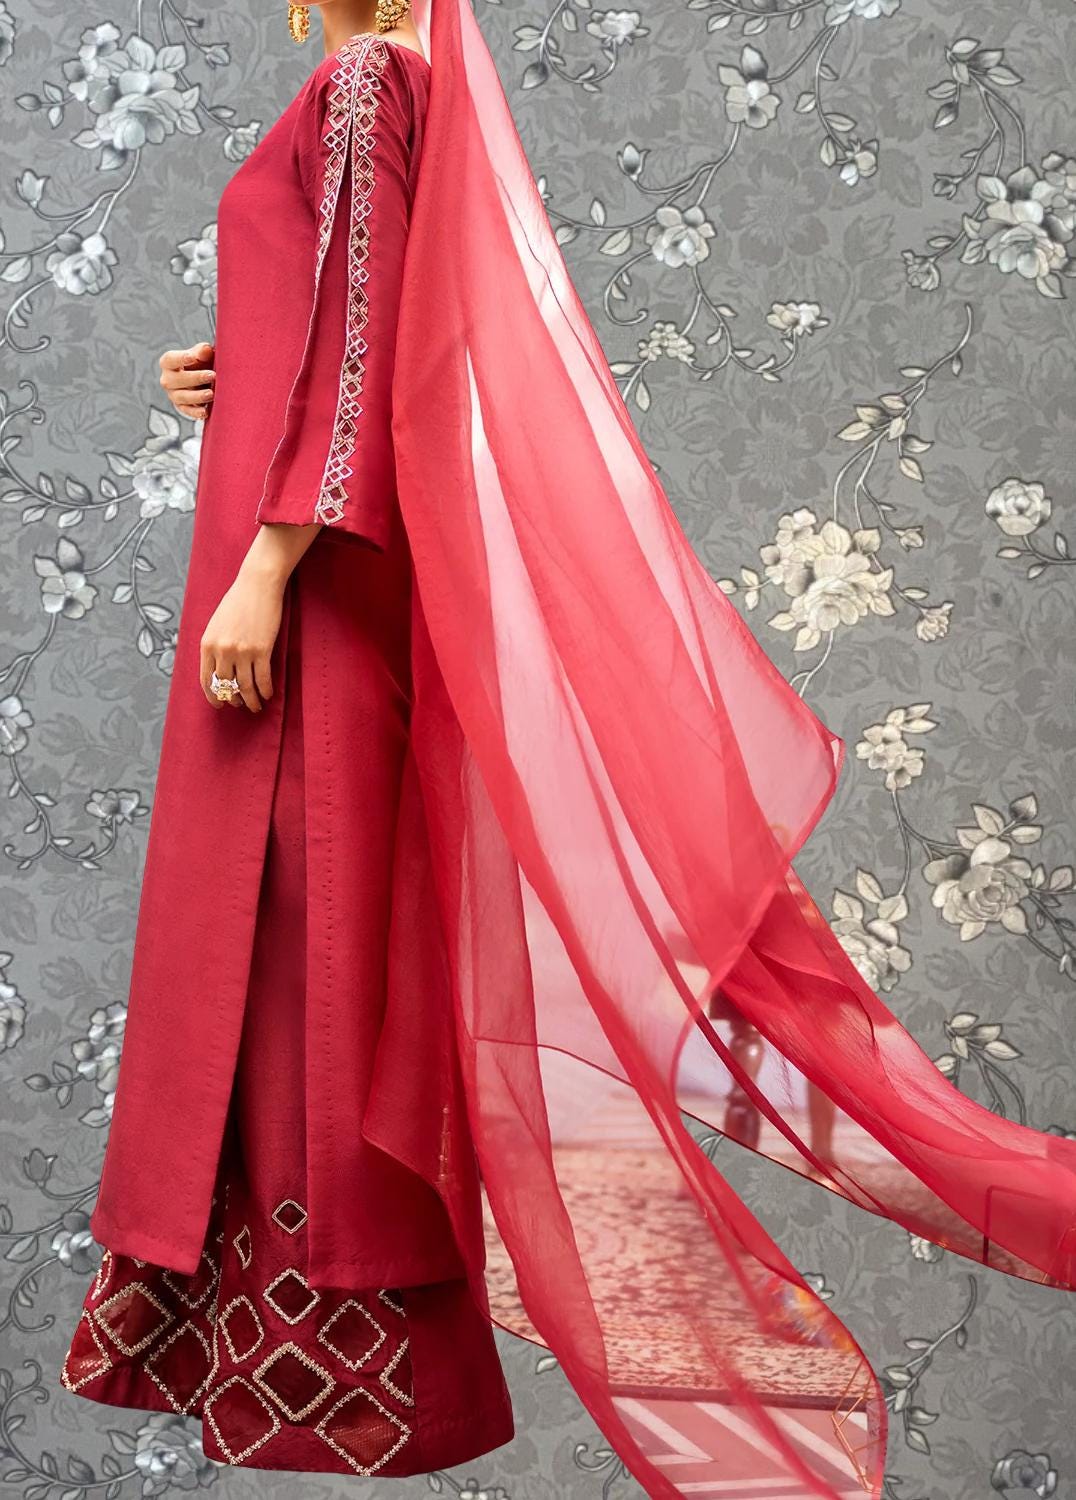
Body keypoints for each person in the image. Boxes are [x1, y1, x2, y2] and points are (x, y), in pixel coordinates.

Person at [59, 0, 1076, 1495]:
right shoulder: (374, 92)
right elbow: (380, 319)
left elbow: (368, 359)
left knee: (308, 958)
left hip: (313, 594)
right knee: (289, 960)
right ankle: (308, 1346)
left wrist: (268, 569)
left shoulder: (365, 84)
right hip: (314, 573)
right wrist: (229, 360)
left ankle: (341, 1345)